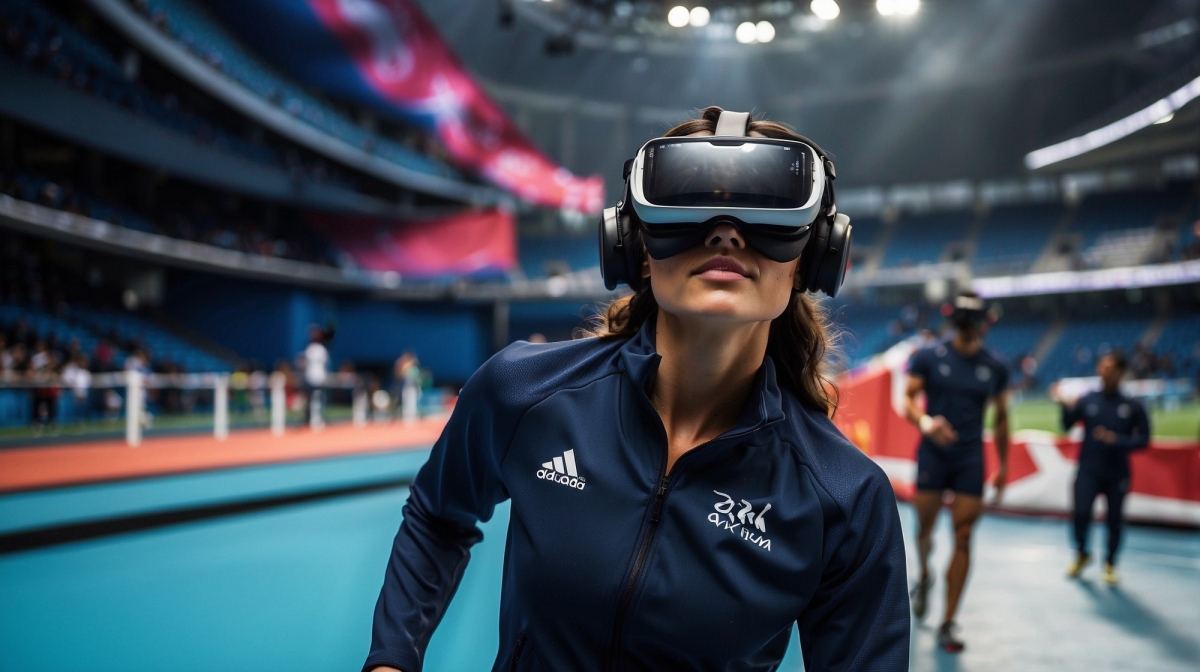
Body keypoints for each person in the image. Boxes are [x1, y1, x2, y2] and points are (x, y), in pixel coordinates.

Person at [364, 108, 908, 672]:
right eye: (688, 207)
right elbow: (437, 514)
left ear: (809, 260)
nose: (725, 231)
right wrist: (391, 660)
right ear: (636, 247)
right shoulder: (523, 392)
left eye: (766, 213)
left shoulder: (846, 499)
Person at [904, 291, 1010, 653]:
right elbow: (908, 398)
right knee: (925, 531)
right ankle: (924, 575)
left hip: (969, 458)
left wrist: (1004, 465)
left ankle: (948, 621)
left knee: (964, 536)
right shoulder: (930, 356)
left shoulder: (994, 366)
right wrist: (926, 422)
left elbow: (1002, 417)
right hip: (933, 454)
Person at [1053, 352, 1150, 586]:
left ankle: (1110, 563)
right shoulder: (1087, 399)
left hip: (1117, 472)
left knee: (1115, 520)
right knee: (1081, 514)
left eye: (1109, 368)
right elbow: (1066, 426)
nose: (1103, 372)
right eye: (1101, 367)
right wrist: (1064, 406)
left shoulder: (1132, 405)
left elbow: (1144, 440)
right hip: (1088, 469)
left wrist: (1117, 440)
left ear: (1120, 372)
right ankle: (1082, 552)